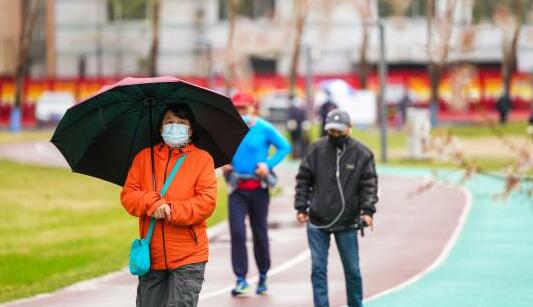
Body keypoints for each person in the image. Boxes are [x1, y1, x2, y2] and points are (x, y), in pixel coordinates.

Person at [121, 104, 217, 307]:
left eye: (181, 123)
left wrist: (170, 210)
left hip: (189, 257)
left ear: (190, 130)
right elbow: (128, 195)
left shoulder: (202, 160)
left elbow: (206, 202)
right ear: (160, 128)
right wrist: (152, 203)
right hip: (152, 256)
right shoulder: (143, 158)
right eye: (169, 122)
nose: (175, 127)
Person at [294, 109, 378, 307]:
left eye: (339, 131)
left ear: (349, 129)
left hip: (348, 221)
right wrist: (301, 207)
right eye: (331, 131)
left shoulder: (363, 154)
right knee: (318, 270)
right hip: (317, 221)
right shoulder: (315, 150)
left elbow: (369, 184)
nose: (335, 135)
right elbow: (303, 179)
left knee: (353, 271)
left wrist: (367, 212)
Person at [222, 91, 291, 296]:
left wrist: (267, 165)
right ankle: (241, 279)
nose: (240, 112)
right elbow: (218, 150)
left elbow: (284, 147)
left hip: (258, 190)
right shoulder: (228, 129)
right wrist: (224, 162)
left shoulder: (263, 128)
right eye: (237, 108)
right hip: (236, 189)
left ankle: (262, 275)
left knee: (259, 233)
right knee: (237, 232)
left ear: (252, 108)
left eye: (244, 108)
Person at [287, 94, 307, 159]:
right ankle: (294, 154)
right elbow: (289, 118)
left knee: (300, 141)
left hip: (299, 128)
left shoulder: (301, 110)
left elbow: (303, 118)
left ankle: (299, 154)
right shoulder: (291, 109)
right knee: (293, 141)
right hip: (293, 128)